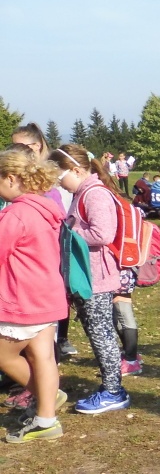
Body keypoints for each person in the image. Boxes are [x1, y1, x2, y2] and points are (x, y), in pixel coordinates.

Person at [52, 144, 129, 414]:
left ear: (76, 170)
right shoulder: (83, 193)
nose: (59, 184)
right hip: (89, 276)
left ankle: (113, 391)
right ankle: (112, 387)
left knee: (101, 334)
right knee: (98, 332)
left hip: (97, 278)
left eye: (60, 177)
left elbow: (103, 234)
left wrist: (65, 234)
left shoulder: (94, 194)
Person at [0, 148, 69, 441]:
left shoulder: (15, 214)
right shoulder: (45, 209)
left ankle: (46, 396)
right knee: (43, 358)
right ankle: (46, 419)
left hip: (22, 298)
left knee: (4, 356)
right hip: (48, 295)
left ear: (10, 178)